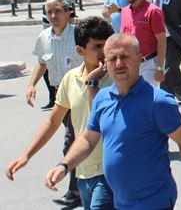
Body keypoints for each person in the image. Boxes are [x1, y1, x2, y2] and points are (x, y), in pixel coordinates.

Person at [43, 33, 181, 210]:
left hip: (154, 202)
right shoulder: (102, 98)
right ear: (105, 63)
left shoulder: (158, 101)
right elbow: (87, 139)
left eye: (125, 57)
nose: (119, 64)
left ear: (139, 58)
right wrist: (64, 165)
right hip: (121, 202)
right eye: (112, 59)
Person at [7, 17, 114, 210]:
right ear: (80, 51)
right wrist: (26, 155)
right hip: (83, 172)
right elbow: (53, 121)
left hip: (110, 173)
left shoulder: (117, 79)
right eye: (97, 47)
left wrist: (93, 84)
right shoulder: (70, 79)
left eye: (107, 46)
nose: (103, 53)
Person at [26, 0, 82, 207]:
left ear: (68, 12)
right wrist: (32, 85)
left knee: (72, 143)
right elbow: (41, 62)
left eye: (57, 11)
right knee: (76, 141)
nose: (53, 16)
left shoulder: (78, 34)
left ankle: (75, 190)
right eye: (49, 12)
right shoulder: (44, 37)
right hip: (62, 99)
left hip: (82, 95)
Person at [119, 0, 167, 86]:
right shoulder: (124, 12)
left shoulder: (153, 11)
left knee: (147, 100)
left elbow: (162, 41)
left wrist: (160, 67)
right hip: (130, 64)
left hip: (149, 64)